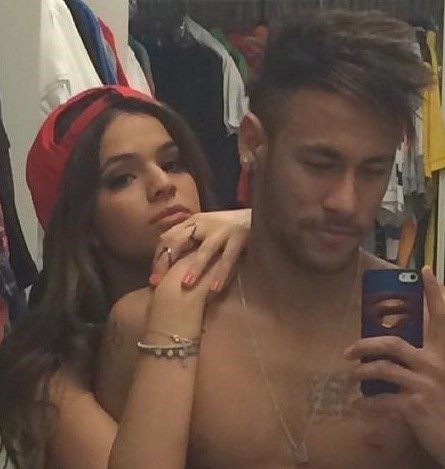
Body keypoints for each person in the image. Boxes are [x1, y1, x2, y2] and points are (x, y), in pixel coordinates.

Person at [96, 10, 445, 468]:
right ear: (252, 143)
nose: (346, 201)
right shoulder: (148, 323)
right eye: (320, 165)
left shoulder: (426, 335)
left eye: (373, 170)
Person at [0, 86, 251, 468]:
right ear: (83, 223)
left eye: (173, 163)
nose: (163, 184)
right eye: (122, 179)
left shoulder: (252, 287)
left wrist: (258, 226)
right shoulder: (51, 377)